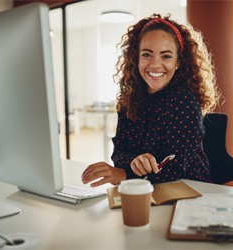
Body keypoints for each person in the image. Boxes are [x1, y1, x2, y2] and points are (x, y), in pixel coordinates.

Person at [81, 13, 220, 187]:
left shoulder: (185, 102)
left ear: (178, 62)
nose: (155, 64)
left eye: (166, 56)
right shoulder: (130, 98)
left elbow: (176, 170)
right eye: (147, 55)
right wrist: (134, 161)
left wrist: (125, 174)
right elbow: (119, 153)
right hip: (145, 190)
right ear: (136, 58)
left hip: (188, 191)